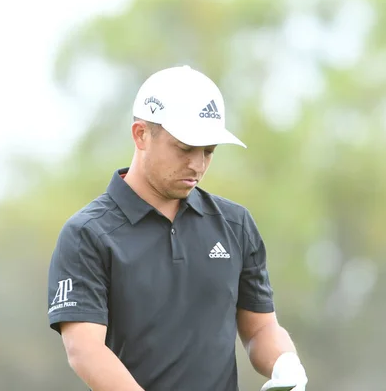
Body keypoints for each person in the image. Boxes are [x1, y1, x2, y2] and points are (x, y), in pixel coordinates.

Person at [47, 65, 308, 391]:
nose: (197, 165)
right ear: (141, 134)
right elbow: (85, 350)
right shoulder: (88, 234)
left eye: (209, 151)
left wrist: (286, 364)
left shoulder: (235, 225)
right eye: (184, 149)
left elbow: (259, 329)